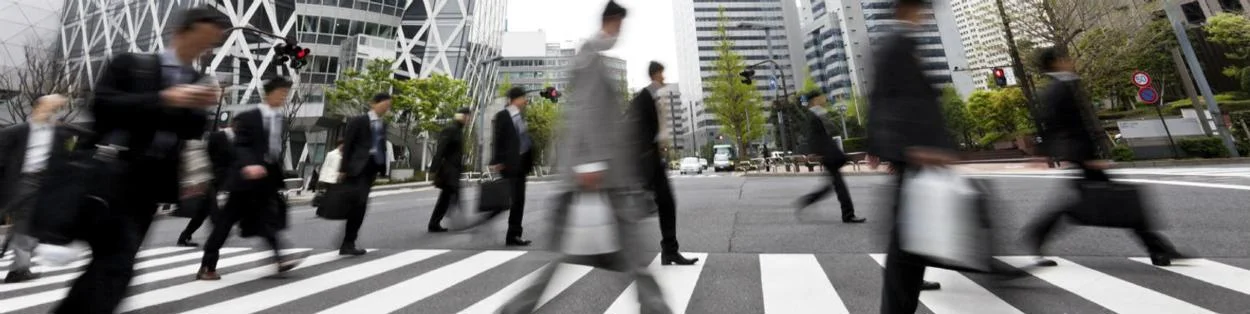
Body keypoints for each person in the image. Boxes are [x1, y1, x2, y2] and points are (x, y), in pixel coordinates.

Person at [500, 2, 671, 313]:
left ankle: (655, 306)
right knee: (614, 252)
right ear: (611, 21)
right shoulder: (590, 55)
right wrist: (590, 163)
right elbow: (586, 111)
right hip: (595, 175)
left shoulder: (594, 56)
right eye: (619, 25)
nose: (620, 32)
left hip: (600, 174)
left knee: (612, 253)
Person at [52, 7, 225, 313]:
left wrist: (200, 108)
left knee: (114, 262)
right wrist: (166, 98)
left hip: (149, 186)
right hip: (109, 173)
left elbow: (189, 133)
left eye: (211, 45)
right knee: (116, 262)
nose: (206, 50)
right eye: (202, 41)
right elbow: (101, 107)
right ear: (181, 32)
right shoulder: (132, 65)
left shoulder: (198, 80)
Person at [1024, 47, 1189, 267]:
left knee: (1106, 201)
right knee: (1118, 200)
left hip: (1079, 154)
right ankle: (1158, 248)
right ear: (1056, 63)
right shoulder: (1058, 89)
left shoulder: (1062, 86)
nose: (1070, 62)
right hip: (1081, 155)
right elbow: (1063, 125)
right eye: (1065, 59)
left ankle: (1158, 249)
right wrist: (1087, 156)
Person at [863, 1, 957, 312]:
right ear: (907, 9)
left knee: (911, 238)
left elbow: (884, 99)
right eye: (921, 8)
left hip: (915, 153)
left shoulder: (902, 43)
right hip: (915, 154)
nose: (926, 15)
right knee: (906, 241)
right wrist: (907, 148)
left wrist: (880, 146)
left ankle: (908, 291)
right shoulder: (896, 45)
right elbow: (887, 99)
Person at [197, 77, 306, 280]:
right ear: (269, 93)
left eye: (286, 94)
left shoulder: (279, 119)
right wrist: (249, 164)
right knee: (225, 223)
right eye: (281, 93)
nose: (284, 98)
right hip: (244, 182)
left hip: (265, 183)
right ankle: (207, 266)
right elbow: (241, 145)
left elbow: (272, 152)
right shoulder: (248, 117)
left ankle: (280, 259)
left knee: (267, 220)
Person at [0, 95, 74, 283]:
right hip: (17, 182)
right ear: (38, 107)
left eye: (56, 108)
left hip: (43, 183)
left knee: (28, 227)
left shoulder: (59, 133)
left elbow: (66, 159)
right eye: (50, 107)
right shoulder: (15, 131)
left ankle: (19, 269)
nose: (53, 112)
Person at [631, 61, 697, 265]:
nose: (664, 77)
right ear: (655, 74)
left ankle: (669, 250)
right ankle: (664, 250)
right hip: (646, 160)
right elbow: (633, 126)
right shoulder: (643, 97)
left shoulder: (655, 96)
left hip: (653, 159)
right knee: (655, 204)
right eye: (661, 74)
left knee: (664, 204)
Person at [795, 89, 865, 223]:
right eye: (821, 98)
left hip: (829, 154)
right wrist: (818, 154)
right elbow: (813, 137)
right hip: (827, 155)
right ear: (814, 100)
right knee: (839, 185)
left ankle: (807, 200)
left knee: (831, 186)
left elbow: (828, 131)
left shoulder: (818, 113)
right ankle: (848, 214)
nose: (824, 99)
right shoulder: (813, 115)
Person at [337, 93, 392, 255]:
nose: (387, 108)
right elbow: (348, 146)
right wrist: (343, 168)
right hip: (356, 169)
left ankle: (348, 242)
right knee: (359, 205)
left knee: (359, 206)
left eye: (389, 106)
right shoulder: (358, 121)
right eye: (385, 104)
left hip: (370, 171)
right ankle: (348, 242)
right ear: (374, 103)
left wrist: (382, 169)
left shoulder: (383, 125)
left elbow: (381, 147)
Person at [177, 119, 237, 247]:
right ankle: (218, 233)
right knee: (212, 209)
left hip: (216, 179)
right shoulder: (214, 137)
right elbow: (207, 156)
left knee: (202, 212)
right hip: (209, 178)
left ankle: (185, 236)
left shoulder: (228, 139)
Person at [491, 87, 536, 246]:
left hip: (520, 165)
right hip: (509, 165)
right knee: (514, 200)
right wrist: (497, 161)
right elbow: (497, 139)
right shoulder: (503, 116)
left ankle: (514, 235)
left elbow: (522, 140)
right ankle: (512, 233)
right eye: (523, 98)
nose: (525, 101)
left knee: (518, 201)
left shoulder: (519, 116)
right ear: (514, 99)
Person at [428, 108, 472, 232]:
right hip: (449, 170)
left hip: (454, 170)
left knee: (446, 197)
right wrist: (434, 168)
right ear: (461, 116)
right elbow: (441, 149)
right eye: (467, 116)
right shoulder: (451, 130)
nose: (468, 119)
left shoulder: (459, 131)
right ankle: (459, 221)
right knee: (453, 195)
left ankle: (435, 223)